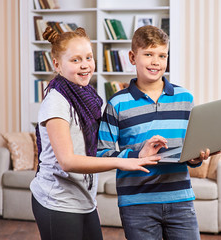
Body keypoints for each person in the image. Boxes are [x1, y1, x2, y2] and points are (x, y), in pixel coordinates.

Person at [30, 26, 167, 240]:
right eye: (75, 60)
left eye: (88, 57)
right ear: (57, 64)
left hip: (85, 200)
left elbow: (98, 146)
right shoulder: (56, 101)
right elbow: (67, 161)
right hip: (57, 201)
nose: (85, 65)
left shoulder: (88, 96)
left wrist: (138, 154)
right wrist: (122, 163)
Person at [97, 25, 210, 240]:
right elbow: (102, 153)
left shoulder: (185, 98)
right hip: (137, 203)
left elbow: (190, 148)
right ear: (132, 57)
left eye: (162, 55)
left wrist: (197, 158)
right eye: (148, 54)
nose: (156, 61)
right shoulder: (117, 103)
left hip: (180, 199)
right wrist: (138, 155)